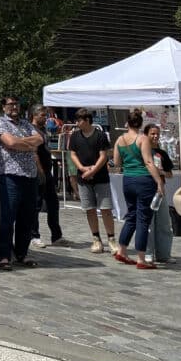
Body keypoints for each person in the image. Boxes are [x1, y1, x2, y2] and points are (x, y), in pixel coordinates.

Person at [0, 96, 41, 271]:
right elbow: (9, 142)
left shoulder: (26, 124)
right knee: (9, 216)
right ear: (3, 106)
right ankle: (4, 255)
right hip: (10, 175)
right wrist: (27, 145)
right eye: (10, 104)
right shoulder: (0, 122)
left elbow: (39, 140)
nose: (14, 107)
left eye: (16, 104)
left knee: (27, 217)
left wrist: (21, 144)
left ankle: (21, 253)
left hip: (29, 175)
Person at [113, 110, 166, 269]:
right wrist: (159, 182)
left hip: (127, 180)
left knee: (131, 216)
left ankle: (122, 250)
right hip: (143, 181)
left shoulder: (119, 140)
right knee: (143, 219)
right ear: (141, 124)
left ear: (127, 123)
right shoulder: (143, 139)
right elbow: (149, 162)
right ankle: (141, 259)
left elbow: (116, 163)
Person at [68, 109, 118, 254]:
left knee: (105, 208)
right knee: (89, 209)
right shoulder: (75, 136)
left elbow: (104, 155)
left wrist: (93, 170)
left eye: (79, 120)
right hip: (83, 178)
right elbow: (73, 154)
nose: (77, 123)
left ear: (87, 120)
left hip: (100, 177)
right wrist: (82, 169)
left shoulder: (100, 135)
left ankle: (111, 239)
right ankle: (96, 239)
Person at [29, 105, 71, 249]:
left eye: (45, 115)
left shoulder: (43, 130)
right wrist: (40, 172)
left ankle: (56, 235)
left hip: (47, 171)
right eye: (42, 115)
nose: (45, 118)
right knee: (36, 204)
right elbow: (34, 153)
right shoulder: (31, 130)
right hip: (38, 172)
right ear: (34, 115)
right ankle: (34, 236)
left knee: (53, 204)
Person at [144, 124, 174, 264]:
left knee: (163, 224)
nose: (155, 136)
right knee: (148, 224)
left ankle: (164, 253)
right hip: (146, 189)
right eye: (152, 134)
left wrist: (159, 171)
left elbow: (169, 174)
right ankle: (148, 253)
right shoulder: (142, 151)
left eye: (157, 134)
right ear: (146, 135)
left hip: (160, 191)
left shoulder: (162, 153)